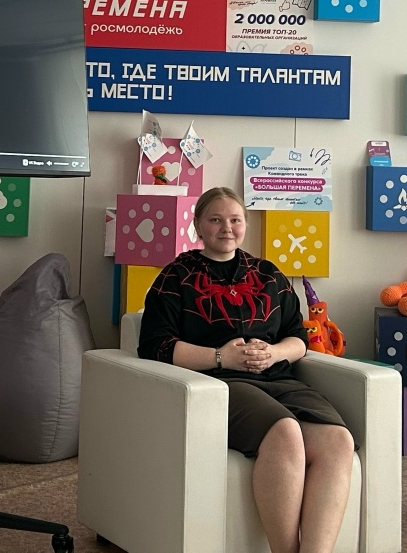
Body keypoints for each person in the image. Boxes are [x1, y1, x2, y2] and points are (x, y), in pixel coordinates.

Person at [138, 187, 354, 553]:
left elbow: (299, 337)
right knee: (285, 430)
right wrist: (221, 357)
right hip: (217, 383)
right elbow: (156, 347)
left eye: (235, 220)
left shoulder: (268, 274)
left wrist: (273, 353)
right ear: (198, 225)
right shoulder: (175, 276)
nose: (227, 228)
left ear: (245, 225)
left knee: (338, 441)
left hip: (277, 377)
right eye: (216, 219)